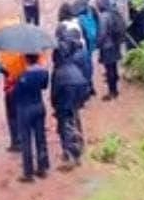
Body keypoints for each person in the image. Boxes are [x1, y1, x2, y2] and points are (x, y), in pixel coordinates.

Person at [52, 39, 90, 170]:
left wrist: (55, 107)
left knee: (65, 126)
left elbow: (54, 92)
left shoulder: (58, 71)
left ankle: (71, 155)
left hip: (65, 100)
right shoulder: (73, 65)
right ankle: (79, 145)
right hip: (79, 92)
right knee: (75, 119)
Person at [14, 53, 50, 182]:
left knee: (26, 140)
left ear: (26, 59)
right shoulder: (44, 73)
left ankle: (28, 173)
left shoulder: (22, 76)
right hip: (39, 106)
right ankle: (42, 168)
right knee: (41, 138)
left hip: (25, 108)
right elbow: (44, 86)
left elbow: (16, 94)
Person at [0, 51, 28, 153]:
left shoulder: (5, 55)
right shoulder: (25, 53)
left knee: (12, 117)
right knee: (22, 115)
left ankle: (15, 142)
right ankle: (23, 140)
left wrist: (3, 70)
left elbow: (1, 68)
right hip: (23, 89)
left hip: (11, 90)